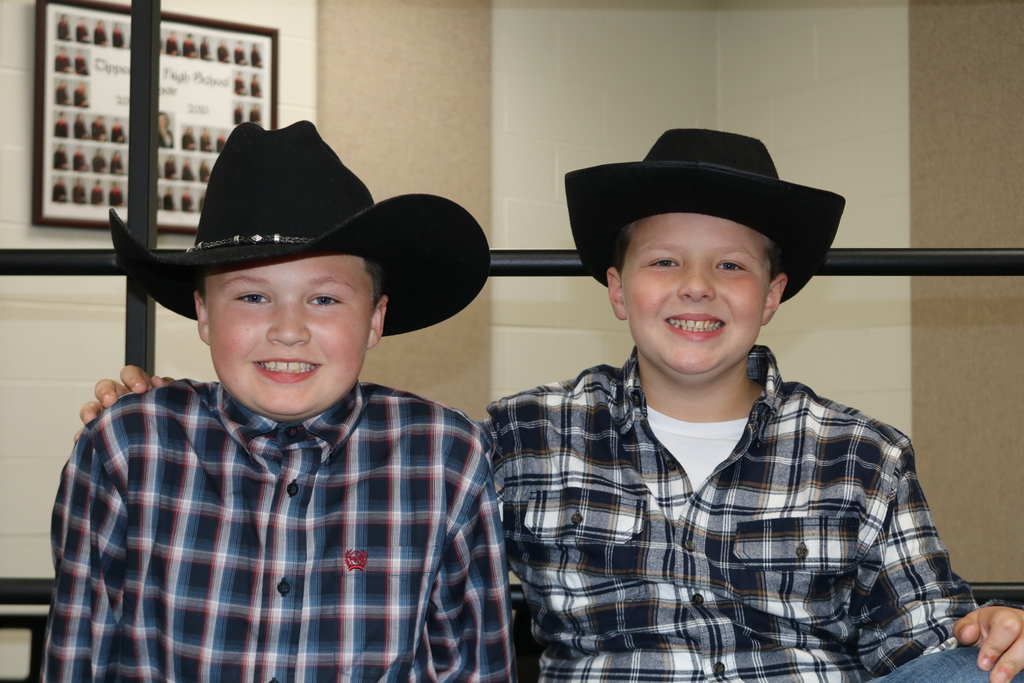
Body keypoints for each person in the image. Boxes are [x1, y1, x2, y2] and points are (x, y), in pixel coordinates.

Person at [87, 128, 1024, 683]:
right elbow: (361, 467)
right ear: (617, 290)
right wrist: (196, 410)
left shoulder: (864, 455)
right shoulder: (524, 439)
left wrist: (988, 636)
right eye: (663, 261)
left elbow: (928, 642)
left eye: (732, 264)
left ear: (773, 295)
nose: (696, 287)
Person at [48, 121, 515, 681]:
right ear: (203, 314)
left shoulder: (447, 459)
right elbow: (80, 655)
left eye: (323, 299)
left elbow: (474, 664)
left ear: (374, 319)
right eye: (251, 296)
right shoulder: (127, 450)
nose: (288, 330)